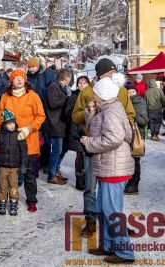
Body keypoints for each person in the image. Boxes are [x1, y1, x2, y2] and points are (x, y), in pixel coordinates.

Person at [72, 58, 136, 238]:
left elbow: (130, 114)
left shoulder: (121, 90)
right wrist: (91, 113)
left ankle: (117, 226)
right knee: (91, 189)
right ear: (100, 73)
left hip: (111, 149)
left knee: (113, 194)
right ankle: (91, 222)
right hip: (92, 146)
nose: (112, 75)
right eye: (109, 72)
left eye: (114, 72)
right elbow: (75, 115)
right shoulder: (88, 91)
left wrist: (120, 124)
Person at [80, 77, 135, 264]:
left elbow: (114, 138)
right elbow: (99, 129)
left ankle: (125, 252)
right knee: (103, 209)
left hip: (114, 168)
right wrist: (91, 113)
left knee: (112, 211)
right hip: (108, 166)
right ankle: (108, 245)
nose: (92, 95)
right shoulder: (108, 108)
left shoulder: (112, 111)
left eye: (95, 92)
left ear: (102, 94)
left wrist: (89, 142)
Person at [0, 69, 46, 213]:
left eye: (21, 78)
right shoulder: (5, 96)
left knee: (29, 173)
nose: (19, 80)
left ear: (25, 80)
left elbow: (40, 116)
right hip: (8, 142)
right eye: (15, 78)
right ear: (11, 81)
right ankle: (1, 198)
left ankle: (31, 200)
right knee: (3, 172)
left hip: (28, 140)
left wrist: (29, 128)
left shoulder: (33, 96)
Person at [26, 57, 57, 175]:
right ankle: (34, 163)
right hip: (30, 112)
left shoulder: (45, 75)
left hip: (44, 110)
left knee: (45, 139)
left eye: (33, 67)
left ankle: (45, 163)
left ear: (38, 66)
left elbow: (52, 88)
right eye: (29, 67)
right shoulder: (26, 77)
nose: (31, 69)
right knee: (33, 138)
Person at [0, 109, 28, 216]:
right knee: (2, 186)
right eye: (9, 123)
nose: (12, 125)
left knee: (14, 186)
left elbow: (24, 152)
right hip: (2, 166)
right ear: (4, 124)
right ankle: (2, 203)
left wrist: (23, 165)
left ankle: (13, 203)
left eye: (13, 123)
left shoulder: (19, 135)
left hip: (14, 167)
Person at [59, 75, 90, 191]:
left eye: (84, 82)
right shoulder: (73, 97)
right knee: (80, 155)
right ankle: (80, 180)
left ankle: (89, 179)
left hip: (89, 130)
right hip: (76, 129)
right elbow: (67, 113)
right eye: (80, 82)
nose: (82, 84)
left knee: (89, 155)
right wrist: (79, 112)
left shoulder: (92, 96)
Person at [45, 69, 72, 185]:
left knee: (63, 149)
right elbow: (53, 103)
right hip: (55, 123)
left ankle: (56, 170)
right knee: (57, 150)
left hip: (61, 123)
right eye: (70, 77)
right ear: (67, 78)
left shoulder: (61, 87)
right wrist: (67, 98)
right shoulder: (54, 86)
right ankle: (51, 175)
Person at [124, 82, 148, 195]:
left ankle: (134, 184)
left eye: (132, 91)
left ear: (136, 92)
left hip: (136, 135)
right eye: (128, 92)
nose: (131, 94)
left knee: (135, 160)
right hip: (125, 135)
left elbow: (143, 121)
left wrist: (132, 114)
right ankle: (128, 182)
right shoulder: (122, 102)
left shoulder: (140, 102)